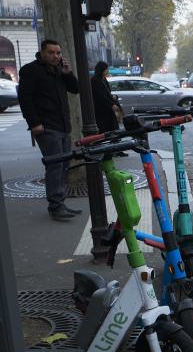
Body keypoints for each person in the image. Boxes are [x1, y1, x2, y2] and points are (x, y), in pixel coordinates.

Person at [17, 39, 81, 220]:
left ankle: (60, 203)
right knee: (55, 166)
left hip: (62, 125)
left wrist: (68, 74)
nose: (55, 56)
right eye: (51, 53)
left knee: (64, 166)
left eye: (58, 53)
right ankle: (56, 206)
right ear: (42, 52)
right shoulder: (31, 70)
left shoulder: (59, 71)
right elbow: (25, 98)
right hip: (46, 126)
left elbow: (75, 89)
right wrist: (35, 123)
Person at [91, 61, 119, 133]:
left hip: (107, 109)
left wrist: (112, 96)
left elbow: (107, 92)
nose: (107, 71)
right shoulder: (95, 80)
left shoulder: (103, 79)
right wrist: (111, 104)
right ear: (102, 69)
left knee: (112, 129)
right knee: (106, 129)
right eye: (106, 69)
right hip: (102, 110)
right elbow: (100, 95)